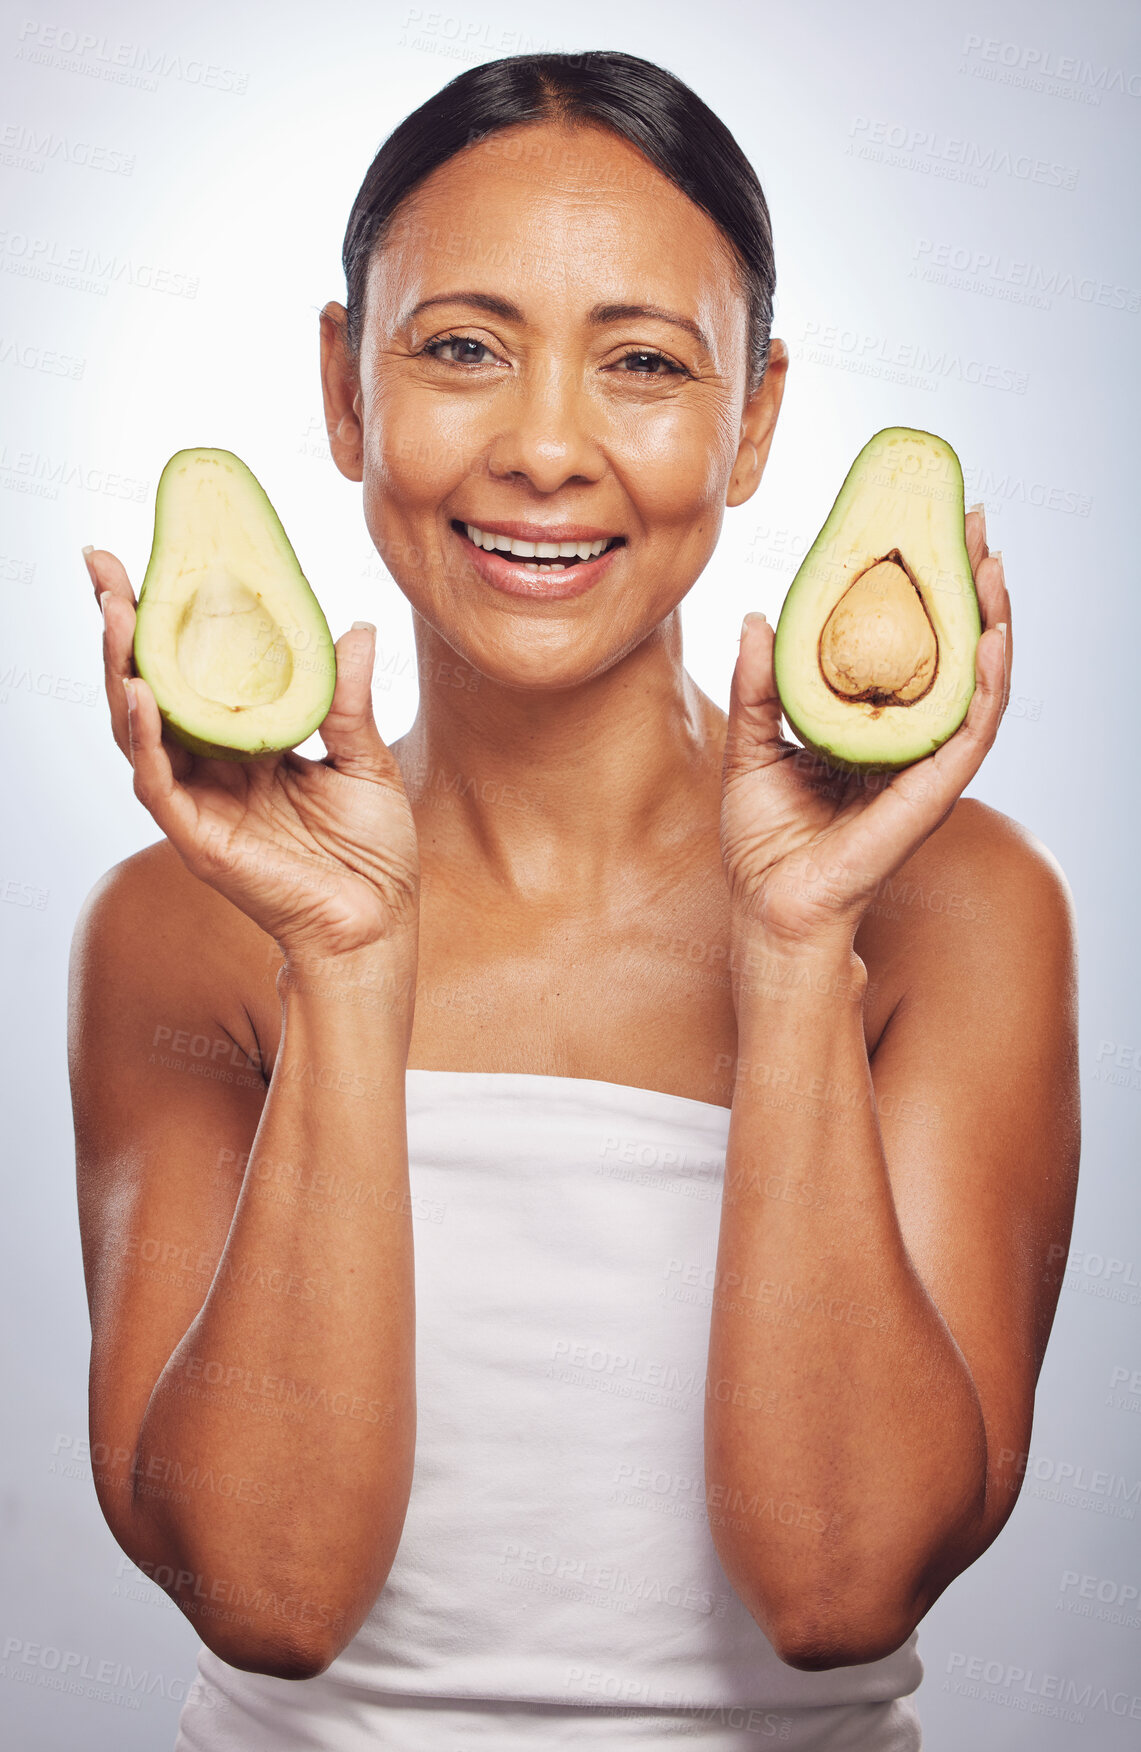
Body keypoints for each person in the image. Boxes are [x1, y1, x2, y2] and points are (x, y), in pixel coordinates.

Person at [69, 49, 1079, 1752]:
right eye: (460, 348)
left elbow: (839, 1589)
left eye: (641, 366)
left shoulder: (956, 905)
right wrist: (342, 960)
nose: (544, 449)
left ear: (752, 418)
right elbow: (272, 1597)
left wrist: (794, 942)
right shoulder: (182, 927)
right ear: (344, 388)